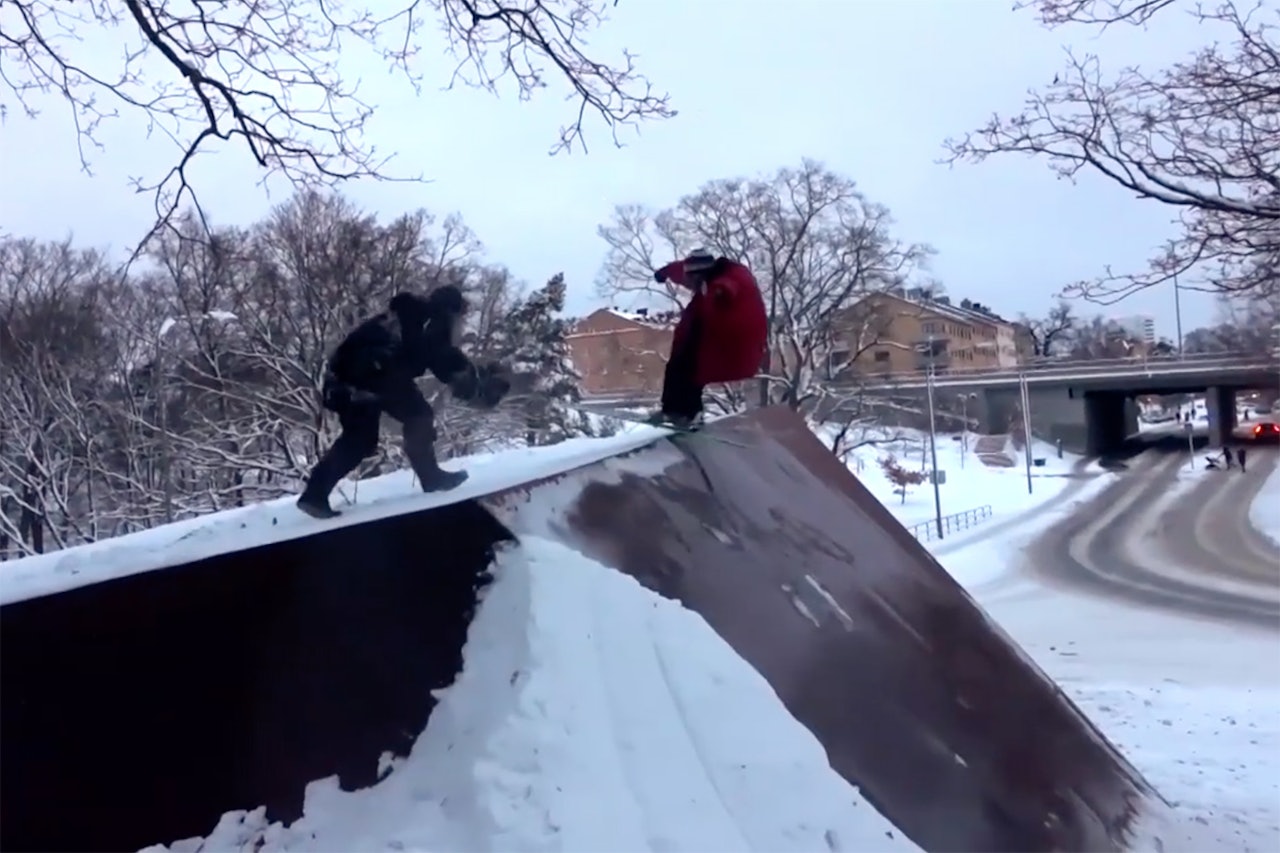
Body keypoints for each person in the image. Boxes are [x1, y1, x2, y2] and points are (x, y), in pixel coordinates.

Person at [297, 285, 510, 518]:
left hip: (345, 378)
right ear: (451, 311)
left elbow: (438, 357)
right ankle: (431, 478)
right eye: (461, 316)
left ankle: (314, 495)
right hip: (375, 371)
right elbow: (444, 361)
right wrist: (477, 385)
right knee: (418, 415)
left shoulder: (408, 317)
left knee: (360, 438)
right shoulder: (431, 320)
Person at [649, 249, 768, 427]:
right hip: (711, 329)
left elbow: (731, 284)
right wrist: (664, 272)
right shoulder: (704, 274)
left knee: (692, 368)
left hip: (732, 339)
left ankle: (689, 414)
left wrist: (720, 291)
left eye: (692, 282)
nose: (689, 286)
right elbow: (681, 270)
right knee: (677, 362)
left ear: (700, 275)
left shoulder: (729, 277)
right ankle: (671, 411)